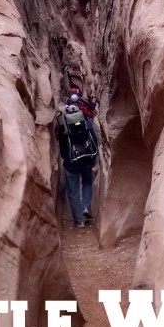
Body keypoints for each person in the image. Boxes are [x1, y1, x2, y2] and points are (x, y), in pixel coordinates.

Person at [55, 92, 98, 228]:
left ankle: (79, 221)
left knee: (73, 191)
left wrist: (64, 156)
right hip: (86, 157)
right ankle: (85, 207)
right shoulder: (83, 116)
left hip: (71, 160)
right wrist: (93, 154)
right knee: (86, 183)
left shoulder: (63, 119)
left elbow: (60, 139)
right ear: (79, 103)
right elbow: (93, 136)